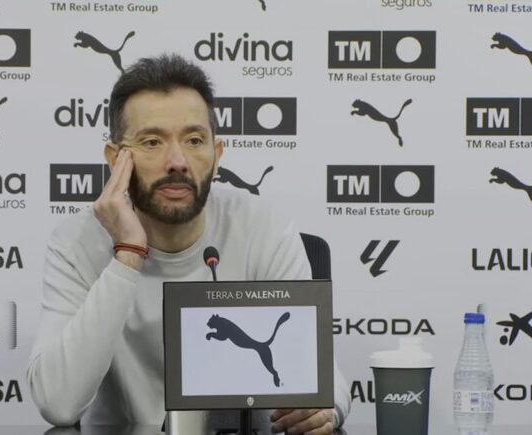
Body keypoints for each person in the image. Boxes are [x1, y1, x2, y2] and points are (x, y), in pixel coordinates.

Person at [27, 54, 350, 434]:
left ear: (217, 156)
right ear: (116, 160)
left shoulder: (264, 228)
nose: (177, 161)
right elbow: (58, 404)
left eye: (195, 140)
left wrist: (324, 409)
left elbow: (326, 383)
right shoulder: (76, 243)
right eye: (152, 141)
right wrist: (128, 254)